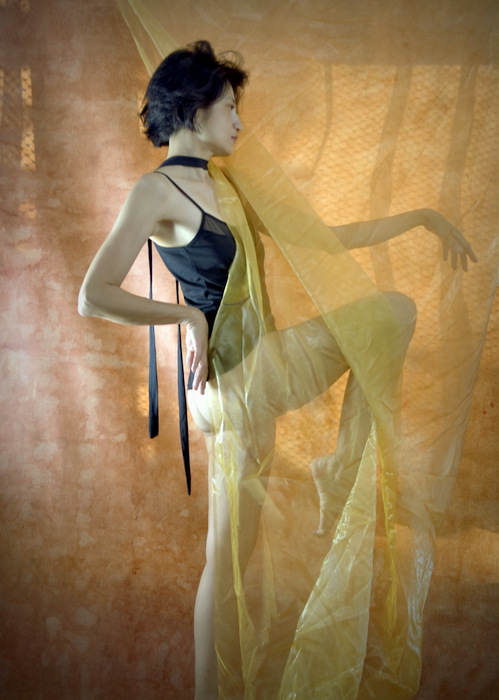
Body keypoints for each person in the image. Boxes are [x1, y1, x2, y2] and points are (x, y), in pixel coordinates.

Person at [78, 41, 477, 700]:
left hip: (259, 373)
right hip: (230, 386)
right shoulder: (155, 190)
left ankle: (336, 468)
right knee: (225, 564)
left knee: (390, 314)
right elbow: (93, 295)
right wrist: (186, 317)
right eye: (229, 107)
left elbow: (319, 237)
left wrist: (421, 217)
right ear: (195, 108)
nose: (239, 122)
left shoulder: (227, 185)